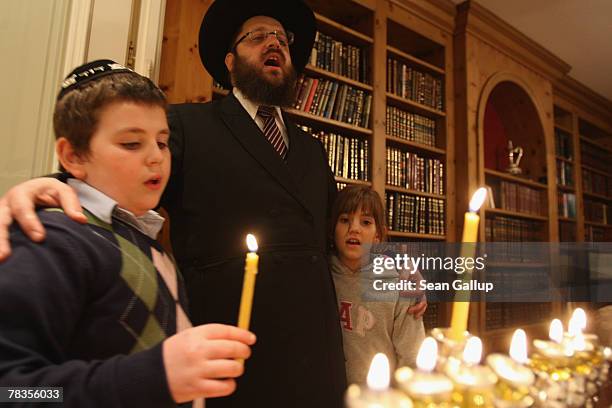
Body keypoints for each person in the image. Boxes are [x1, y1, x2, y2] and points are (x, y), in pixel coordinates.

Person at [0, 1, 425, 406]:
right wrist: (42, 188)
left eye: (281, 36)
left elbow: (343, 236)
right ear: (230, 61)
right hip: (232, 348)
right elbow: (115, 190)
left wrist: (397, 273)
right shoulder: (184, 126)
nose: (274, 43)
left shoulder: (312, 150)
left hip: (318, 352)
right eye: (257, 37)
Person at [0, 60, 256, 407]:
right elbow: (11, 391)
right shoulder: (52, 240)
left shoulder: (151, 246)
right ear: (72, 155)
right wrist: (154, 376)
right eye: (132, 143)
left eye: (163, 143)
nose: (156, 158)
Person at [330, 186, 426, 384]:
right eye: (345, 220)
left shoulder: (400, 284)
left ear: (378, 236)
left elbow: (412, 356)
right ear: (332, 229)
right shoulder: (321, 275)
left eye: (365, 222)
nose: (354, 228)